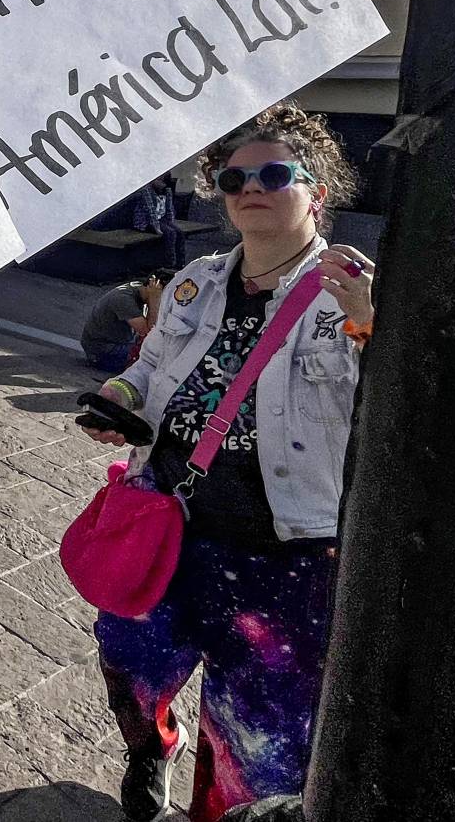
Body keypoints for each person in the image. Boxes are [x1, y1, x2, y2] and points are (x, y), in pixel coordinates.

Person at [80, 103, 374, 822]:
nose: (250, 186)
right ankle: (152, 744)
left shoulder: (353, 289)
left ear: (317, 191)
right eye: (233, 175)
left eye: (275, 173)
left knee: (254, 739)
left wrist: (374, 320)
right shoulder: (195, 280)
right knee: (129, 658)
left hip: (286, 554)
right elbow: (147, 372)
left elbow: (398, 405)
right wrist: (118, 400)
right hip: (171, 524)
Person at [82, 273, 164, 373]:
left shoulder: (139, 291)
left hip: (118, 342)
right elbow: (148, 331)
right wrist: (155, 301)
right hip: (102, 350)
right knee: (155, 360)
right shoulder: (124, 299)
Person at [133, 172, 187, 271]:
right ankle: (169, 263)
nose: (161, 184)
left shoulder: (167, 191)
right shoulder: (147, 191)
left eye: (163, 182)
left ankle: (181, 262)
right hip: (146, 221)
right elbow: (151, 211)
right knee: (170, 233)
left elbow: (169, 209)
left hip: (161, 219)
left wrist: (171, 222)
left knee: (179, 232)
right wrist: (157, 228)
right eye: (159, 181)